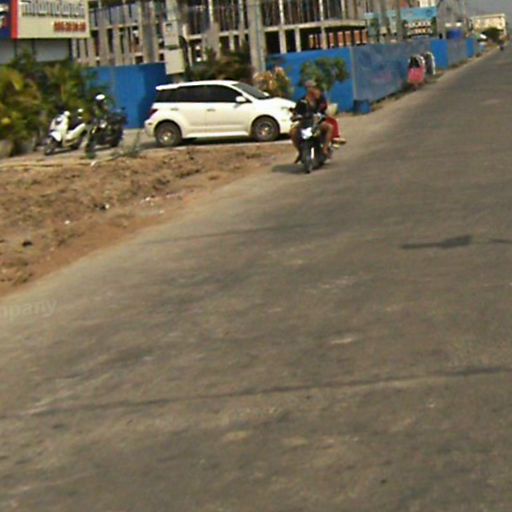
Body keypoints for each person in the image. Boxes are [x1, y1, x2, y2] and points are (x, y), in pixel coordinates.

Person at [290, 80, 333, 161]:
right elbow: (296, 111)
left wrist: (322, 114)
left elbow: (324, 107)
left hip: (317, 122)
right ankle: (300, 152)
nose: (310, 89)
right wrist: (294, 116)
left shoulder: (320, 98)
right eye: (308, 87)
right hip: (305, 123)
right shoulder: (302, 100)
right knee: (293, 132)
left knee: (329, 127)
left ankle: (325, 149)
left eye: (312, 87)